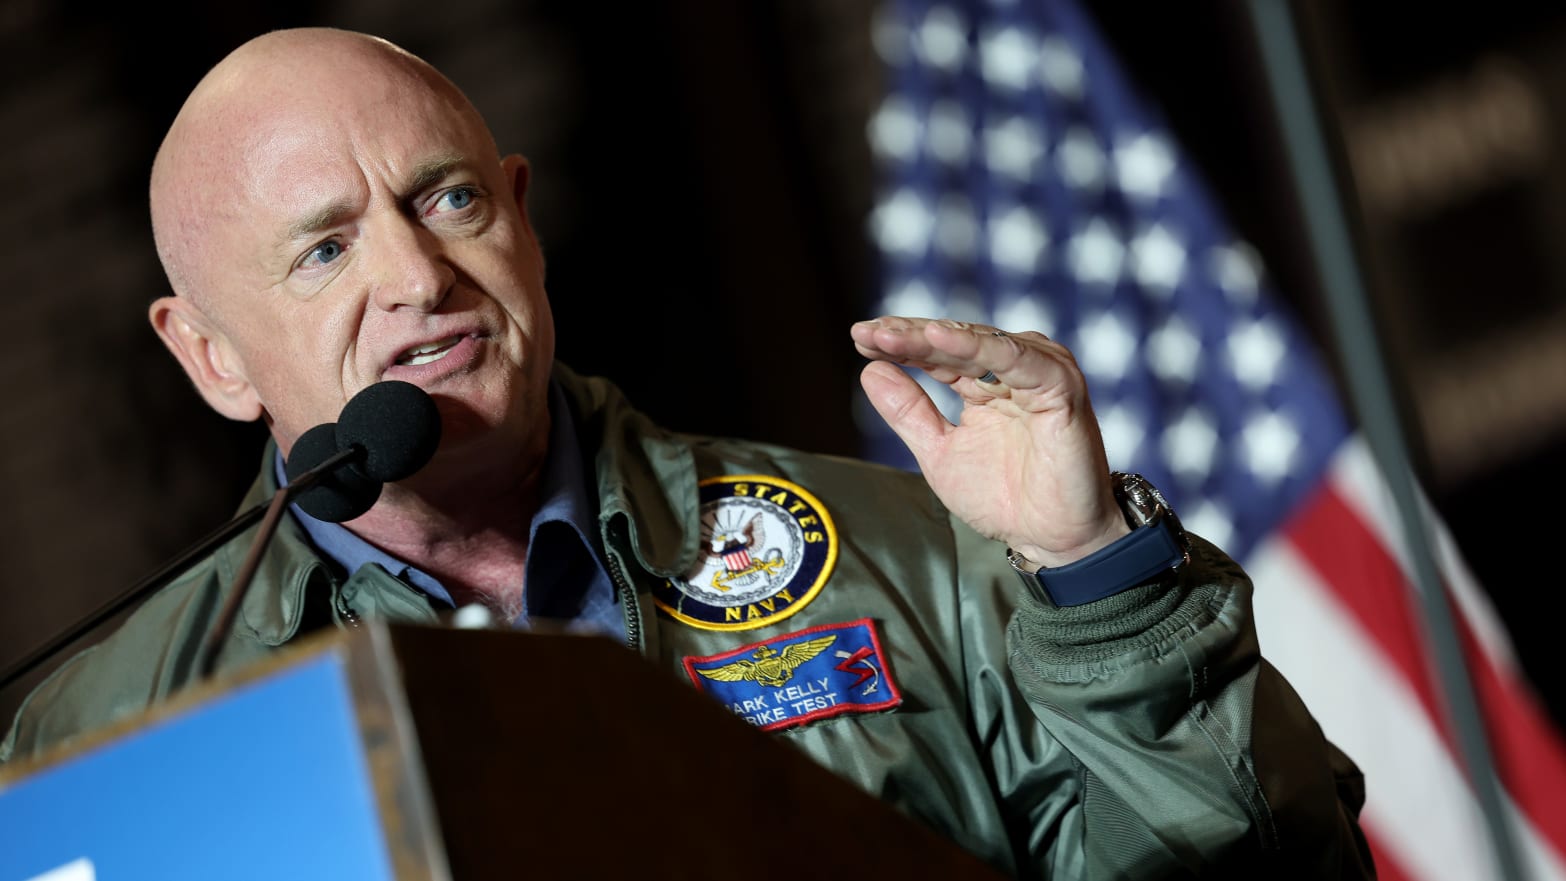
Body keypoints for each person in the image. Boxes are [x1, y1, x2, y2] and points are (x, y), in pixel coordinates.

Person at [0, 27, 1373, 878]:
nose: (417, 274)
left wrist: (1093, 573)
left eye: (448, 197)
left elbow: (1251, 873)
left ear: (521, 219)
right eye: (324, 248)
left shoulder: (917, 555)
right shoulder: (98, 736)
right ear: (210, 354)